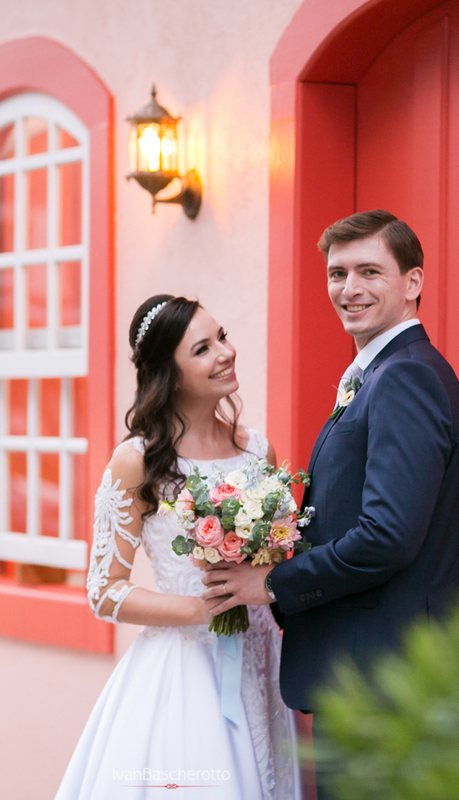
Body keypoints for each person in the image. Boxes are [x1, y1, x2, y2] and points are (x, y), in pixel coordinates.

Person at [202, 210, 459, 799]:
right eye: (337, 273)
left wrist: (270, 583)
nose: (349, 288)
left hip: (387, 677)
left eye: (369, 271)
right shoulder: (382, 373)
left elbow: (386, 536)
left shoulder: (405, 378)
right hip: (372, 672)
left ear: (413, 282)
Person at [55, 295, 301, 800]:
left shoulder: (258, 450)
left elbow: (276, 558)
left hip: (262, 660)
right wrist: (201, 608)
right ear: (170, 374)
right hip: (186, 670)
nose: (225, 353)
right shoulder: (137, 462)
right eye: (202, 349)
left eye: (222, 337)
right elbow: (104, 591)